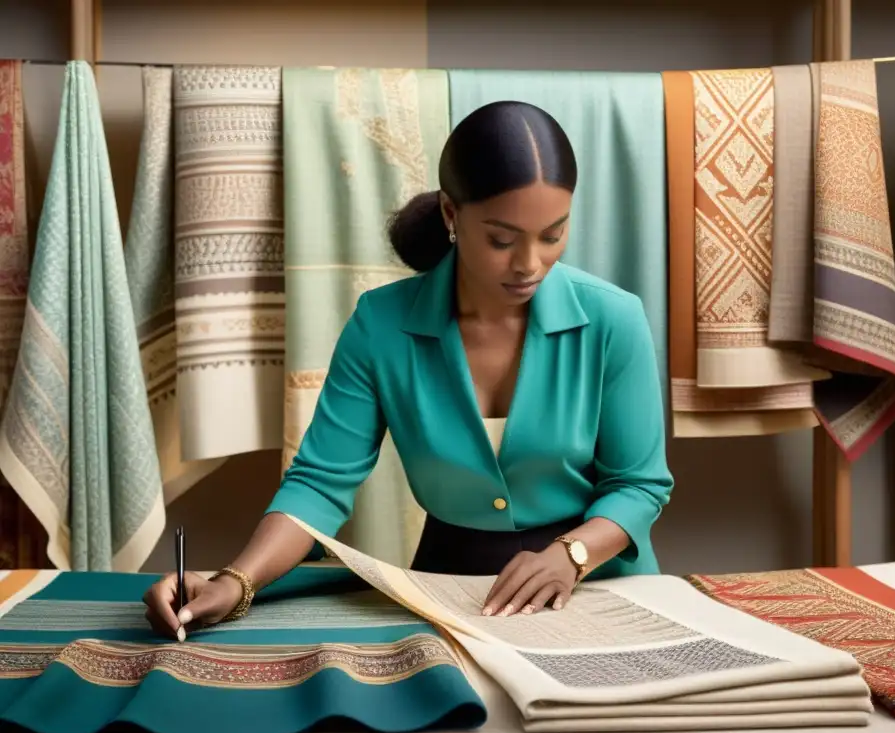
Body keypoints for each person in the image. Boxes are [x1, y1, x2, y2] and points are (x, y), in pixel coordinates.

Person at [144, 100, 673, 641]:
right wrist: (236, 581)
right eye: (501, 239)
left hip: (602, 583)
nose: (529, 263)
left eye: (552, 234)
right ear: (451, 214)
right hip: (450, 590)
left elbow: (639, 484)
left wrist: (572, 554)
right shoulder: (381, 324)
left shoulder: (614, 318)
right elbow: (320, 482)